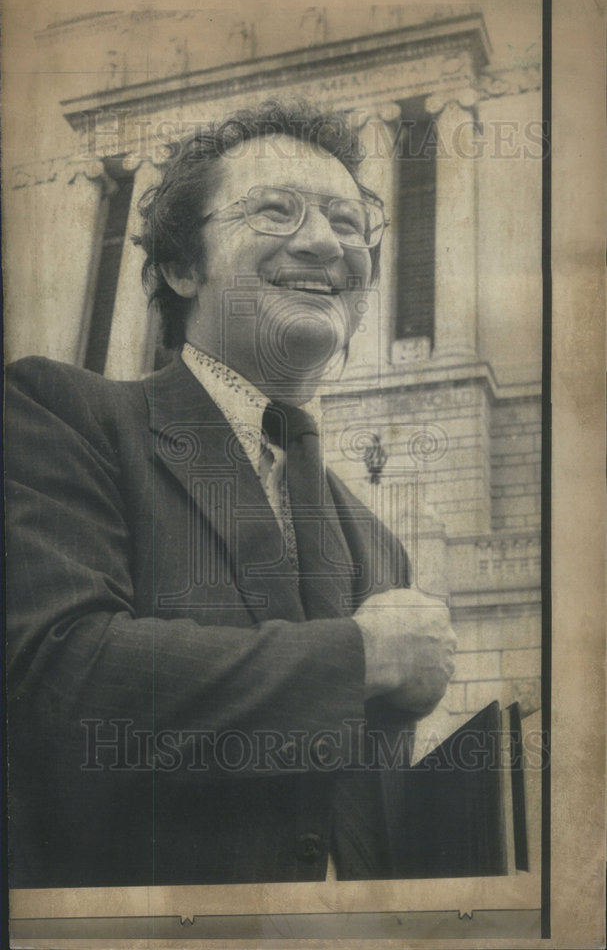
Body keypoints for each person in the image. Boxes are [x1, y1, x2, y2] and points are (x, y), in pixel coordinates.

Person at [6, 100, 457, 889]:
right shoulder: (62, 416)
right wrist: (359, 659)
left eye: (349, 224)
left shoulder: (378, 542)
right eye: (275, 211)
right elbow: (60, 682)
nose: (324, 242)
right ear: (182, 267)